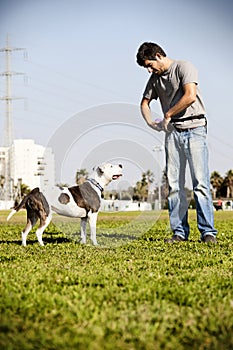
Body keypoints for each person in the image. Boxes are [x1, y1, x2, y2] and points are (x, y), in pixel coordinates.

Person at [136, 42, 217, 243]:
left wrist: (168, 114)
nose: (149, 70)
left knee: (200, 183)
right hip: (172, 133)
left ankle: (207, 232)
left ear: (158, 55)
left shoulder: (183, 67)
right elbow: (144, 103)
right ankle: (179, 232)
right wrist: (151, 123)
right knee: (174, 186)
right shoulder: (154, 79)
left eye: (149, 65)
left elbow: (190, 96)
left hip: (195, 129)